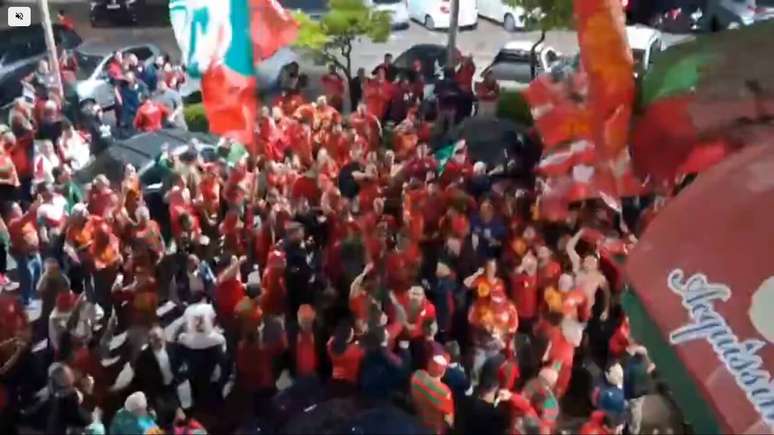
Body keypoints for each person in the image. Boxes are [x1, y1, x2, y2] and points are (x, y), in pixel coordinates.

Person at [132, 325, 185, 427]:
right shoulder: (143, 358)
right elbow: (140, 380)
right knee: (163, 417)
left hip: (175, 386)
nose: (158, 342)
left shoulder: (174, 348)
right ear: (150, 341)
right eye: (155, 339)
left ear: (164, 337)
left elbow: (181, 363)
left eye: (160, 339)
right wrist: (148, 404)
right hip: (158, 391)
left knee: (182, 413)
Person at [7, 199, 42, 306]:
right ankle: (26, 301)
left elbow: (34, 223)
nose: (20, 210)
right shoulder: (12, 223)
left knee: (37, 275)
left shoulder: (27, 221)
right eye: (17, 209)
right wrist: (32, 210)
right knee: (27, 279)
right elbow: (24, 220)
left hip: (36, 253)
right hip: (25, 257)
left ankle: (31, 295)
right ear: (11, 213)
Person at [410, 352, 454, 434]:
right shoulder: (444, 391)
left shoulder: (417, 375)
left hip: (416, 423)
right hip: (434, 430)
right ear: (443, 371)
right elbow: (449, 421)